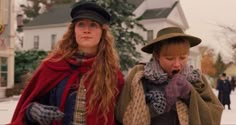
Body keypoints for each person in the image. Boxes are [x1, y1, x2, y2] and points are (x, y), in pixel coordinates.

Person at [11, 1, 124, 125]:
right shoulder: (52, 66)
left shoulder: (112, 74)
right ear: (73, 31)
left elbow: (122, 116)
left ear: (102, 32)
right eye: (81, 24)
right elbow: (27, 108)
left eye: (93, 25)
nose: (86, 30)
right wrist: (32, 111)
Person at [115, 27, 223, 125]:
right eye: (169, 58)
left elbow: (214, 115)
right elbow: (123, 116)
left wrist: (190, 95)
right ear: (157, 56)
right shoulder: (140, 76)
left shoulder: (197, 79)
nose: (177, 64)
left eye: (182, 58)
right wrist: (160, 104)